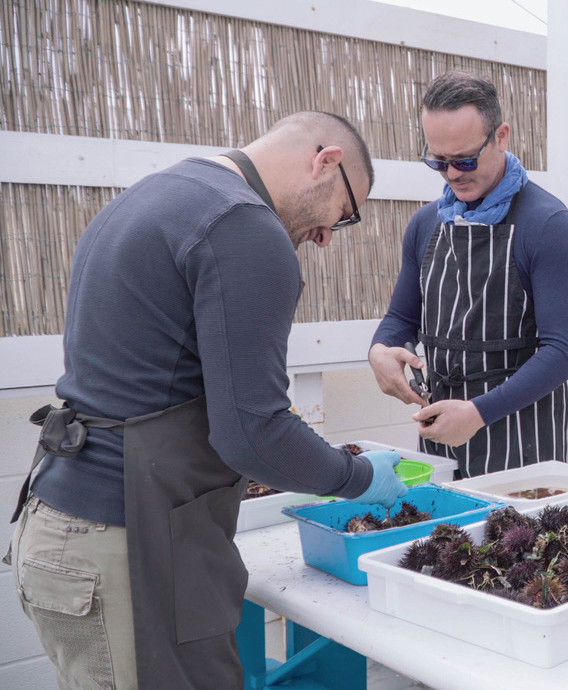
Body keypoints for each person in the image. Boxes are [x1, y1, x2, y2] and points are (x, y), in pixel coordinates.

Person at [5, 111, 408, 690]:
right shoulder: (243, 227)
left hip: (61, 525)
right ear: (326, 162)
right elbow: (256, 434)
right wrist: (360, 477)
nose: (325, 238)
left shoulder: (154, 195)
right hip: (127, 549)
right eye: (343, 216)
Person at [369, 71, 568, 479]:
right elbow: (401, 319)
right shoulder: (426, 224)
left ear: (501, 136)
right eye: (439, 161)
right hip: (439, 439)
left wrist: (477, 413)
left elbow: (561, 353)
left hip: (523, 447)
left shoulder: (547, 224)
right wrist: (380, 350)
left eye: (465, 159)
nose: (452, 174)